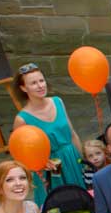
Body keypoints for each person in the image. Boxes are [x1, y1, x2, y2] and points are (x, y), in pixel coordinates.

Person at [10, 63, 85, 205]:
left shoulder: (58, 102)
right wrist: (39, 165)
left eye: (41, 81)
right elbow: (19, 156)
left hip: (71, 159)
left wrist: (82, 161)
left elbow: (72, 134)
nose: (40, 86)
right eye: (33, 83)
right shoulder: (22, 119)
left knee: (82, 201)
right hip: (51, 170)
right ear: (23, 88)